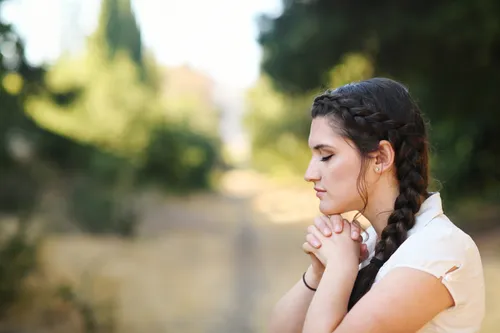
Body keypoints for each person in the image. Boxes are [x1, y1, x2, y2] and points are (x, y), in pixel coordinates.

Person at [268, 78, 485, 333]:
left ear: (381, 158)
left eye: (326, 156)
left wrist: (340, 268)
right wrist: (319, 274)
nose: (309, 173)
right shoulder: (369, 242)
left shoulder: (438, 250)